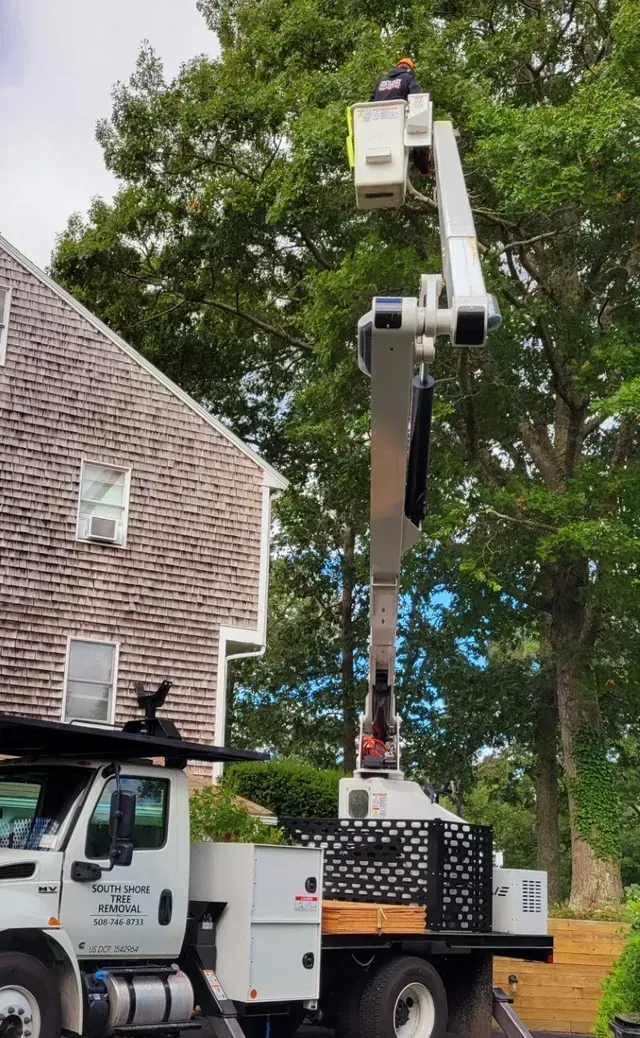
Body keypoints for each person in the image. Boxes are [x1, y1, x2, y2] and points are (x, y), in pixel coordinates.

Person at [370, 58, 430, 175]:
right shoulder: (408, 78)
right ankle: (423, 167)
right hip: (398, 122)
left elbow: (371, 102)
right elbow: (418, 98)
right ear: (410, 69)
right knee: (419, 130)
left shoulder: (381, 80)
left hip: (377, 126)